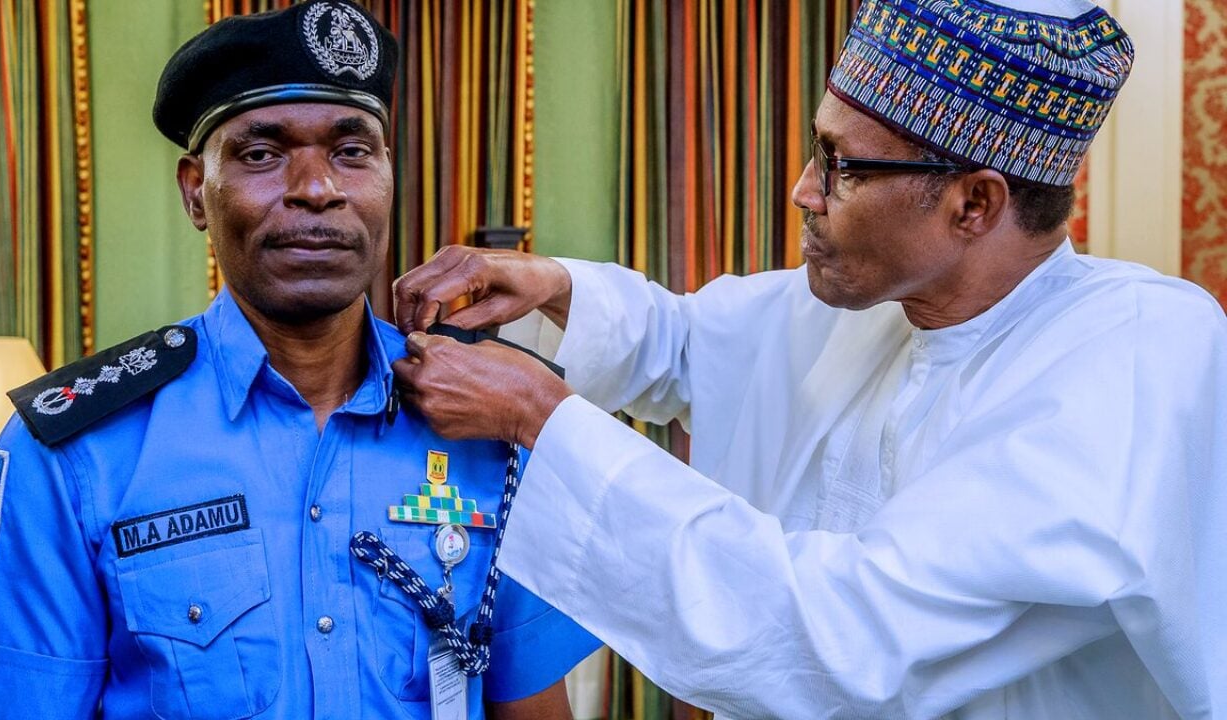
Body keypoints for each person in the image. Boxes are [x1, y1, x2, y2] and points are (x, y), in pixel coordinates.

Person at [390, 0, 1227, 718]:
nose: (803, 190)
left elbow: (843, 644)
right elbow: (690, 344)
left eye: (841, 166)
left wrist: (540, 418)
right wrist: (554, 283)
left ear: (974, 202)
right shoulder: (877, 303)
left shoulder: (1135, 355)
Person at [0, 2, 597, 718]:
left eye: (352, 152)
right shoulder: (77, 453)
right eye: (262, 154)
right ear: (196, 192)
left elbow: (530, 703)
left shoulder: (490, 424)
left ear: (388, 175)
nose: (317, 188)